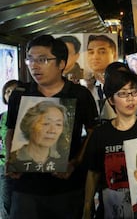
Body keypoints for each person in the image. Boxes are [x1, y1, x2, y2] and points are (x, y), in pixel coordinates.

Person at [5, 34, 98, 219]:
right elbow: (11, 130)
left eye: (43, 60)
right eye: (30, 59)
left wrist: (75, 162)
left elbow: (93, 132)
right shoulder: (19, 94)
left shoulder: (79, 95)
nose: (34, 65)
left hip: (66, 188)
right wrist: (11, 159)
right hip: (26, 187)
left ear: (61, 64)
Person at [83, 69, 137, 219]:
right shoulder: (101, 134)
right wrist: (87, 206)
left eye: (134, 92)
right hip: (111, 209)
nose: (130, 99)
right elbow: (93, 173)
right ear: (111, 100)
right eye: (123, 94)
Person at [8, 100, 68, 173]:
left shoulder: (63, 160)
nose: (52, 130)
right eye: (46, 123)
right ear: (30, 125)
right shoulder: (12, 160)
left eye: (58, 124)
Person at [0, 80, 21, 219]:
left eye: (14, 91)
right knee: (5, 203)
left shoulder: (27, 115)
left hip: (23, 166)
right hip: (3, 166)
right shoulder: (2, 117)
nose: (11, 94)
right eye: (7, 91)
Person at [85, 34, 117, 120]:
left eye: (102, 52)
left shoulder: (120, 83)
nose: (95, 57)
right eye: (91, 52)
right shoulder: (83, 85)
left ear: (114, 55)